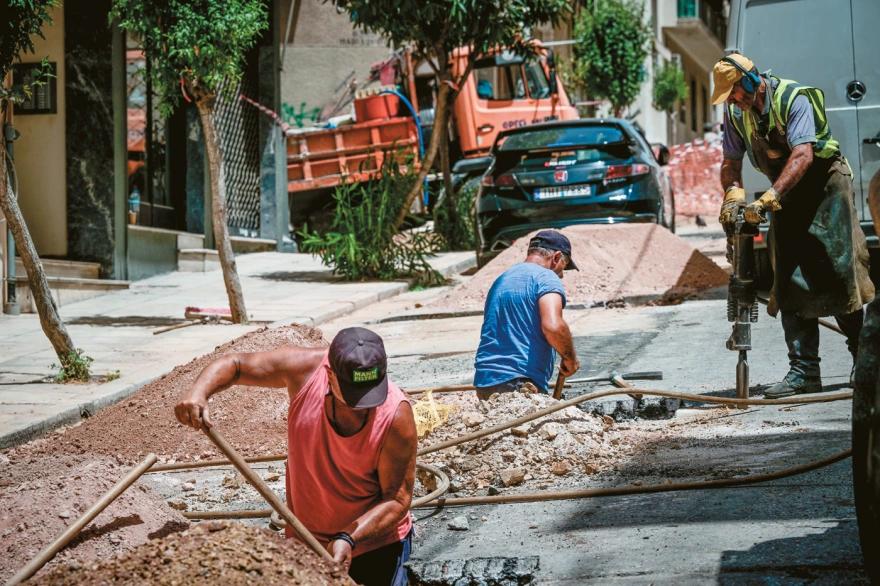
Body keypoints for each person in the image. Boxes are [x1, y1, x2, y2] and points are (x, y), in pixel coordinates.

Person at [175, 327, 416, 586]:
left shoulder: (396, 418)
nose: (363, 406)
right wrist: (199, 392)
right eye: (353, 397)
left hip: (374, 546)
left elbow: (396, 499)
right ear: (330, 374)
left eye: (370, 394)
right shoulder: (304, 371)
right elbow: (235, 364)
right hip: (305, 545)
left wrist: (348, 538)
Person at [713, 53, 874, 398]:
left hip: (823, 187)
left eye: (736, 92)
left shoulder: (794, 98)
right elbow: (730, 161)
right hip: (784, 192)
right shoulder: (735, 113)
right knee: (787, 274)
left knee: (838, 271)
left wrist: (769, 197)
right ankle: (804, 371)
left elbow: (803, 155)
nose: (734, 100)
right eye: (728, 96)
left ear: (752, 81)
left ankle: (865, 361)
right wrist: (733, 193)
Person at [474, 230, 581, 399]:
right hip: (519, 383)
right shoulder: (546, 277)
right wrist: (570, 359)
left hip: (485, 383)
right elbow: (553, 326)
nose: (561, 274)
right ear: (556, 257)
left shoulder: (503, 278)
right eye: (563, 266)